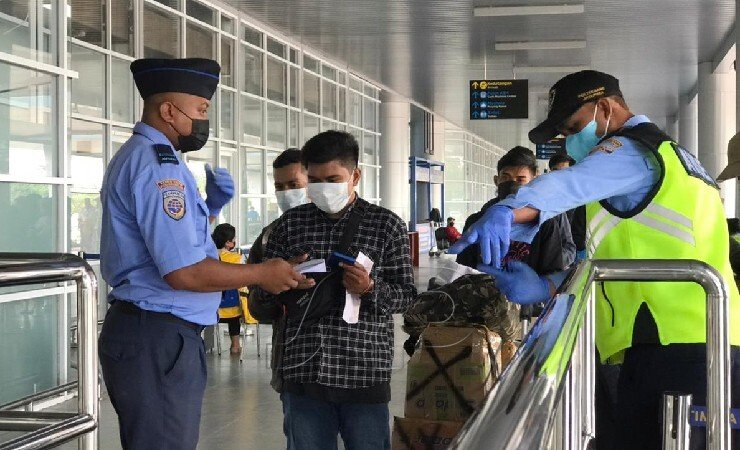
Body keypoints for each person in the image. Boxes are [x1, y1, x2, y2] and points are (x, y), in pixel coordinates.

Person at [451, 70, 740, 449]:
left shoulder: (635, 151)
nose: (570, 144)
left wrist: (509, 208)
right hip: (674, 342)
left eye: (574, 127)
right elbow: (615, 255)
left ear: (605, 108)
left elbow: (568, 184)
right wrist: (548, 286)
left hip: (676, 347)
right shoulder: (671, 160)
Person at [98, 58, 308, 450]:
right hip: (157, 334)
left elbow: (170, 242)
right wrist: (262, 273)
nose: (203, 121)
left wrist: (209, 210)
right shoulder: (158, 166)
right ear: (168, 111)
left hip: (156, 333)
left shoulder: (156, 156)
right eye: (200, 110)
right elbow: (184, 272)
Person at [253, 130, 416, 450]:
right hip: (303, 369)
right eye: (314, 180)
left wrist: (369, 288)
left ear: (355, 175)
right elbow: (265, 295)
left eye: (332, 179)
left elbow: (407, 297)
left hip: (363, 370)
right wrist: (285, 281)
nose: (322, 189)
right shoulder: (290, 225)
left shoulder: (386, 225)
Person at [247, 148, 310, 392]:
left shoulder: (344, 229)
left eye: (294, 185)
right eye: (279, 187)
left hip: (350, 363)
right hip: (292, 362)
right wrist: (272, 285)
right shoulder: (268, 239)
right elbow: (257, 308)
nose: (286, 193)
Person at [456, 146, 575, 275]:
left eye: (520, 180)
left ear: (534, 181)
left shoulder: (546, 222)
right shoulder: (477, 221)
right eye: (506, 178)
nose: (512, 185)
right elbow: (464, 270)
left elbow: (552, 272)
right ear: (496, 180)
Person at [212, 223, 255, 354]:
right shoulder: (237, 258)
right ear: (227, 243)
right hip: (232, 306)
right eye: (233, 239)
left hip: (212, 308)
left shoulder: (209, 257)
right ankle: (235, 345)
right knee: (235, 316)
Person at [549, 152, 587, 261]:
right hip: (553, 250)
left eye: (565, 171)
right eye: (556, 170)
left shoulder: (582, 195)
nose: (560, 175)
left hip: (578, 251)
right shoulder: (545, 195)